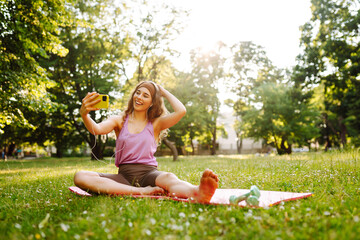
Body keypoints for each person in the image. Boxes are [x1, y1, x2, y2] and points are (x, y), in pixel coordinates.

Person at [74, 81, 219, 203]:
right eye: (138, 92)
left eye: (145, 95)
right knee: (80, 176)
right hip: (124, 176)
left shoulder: (155, 124)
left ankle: (197, 192)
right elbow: (97, 129)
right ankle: (140, 191)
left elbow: (181, 111)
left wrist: (163, 91)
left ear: (152, 102)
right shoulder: (119, 120)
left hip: (149, 174)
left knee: (169, 178)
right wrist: (84, 115)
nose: (139, 97)